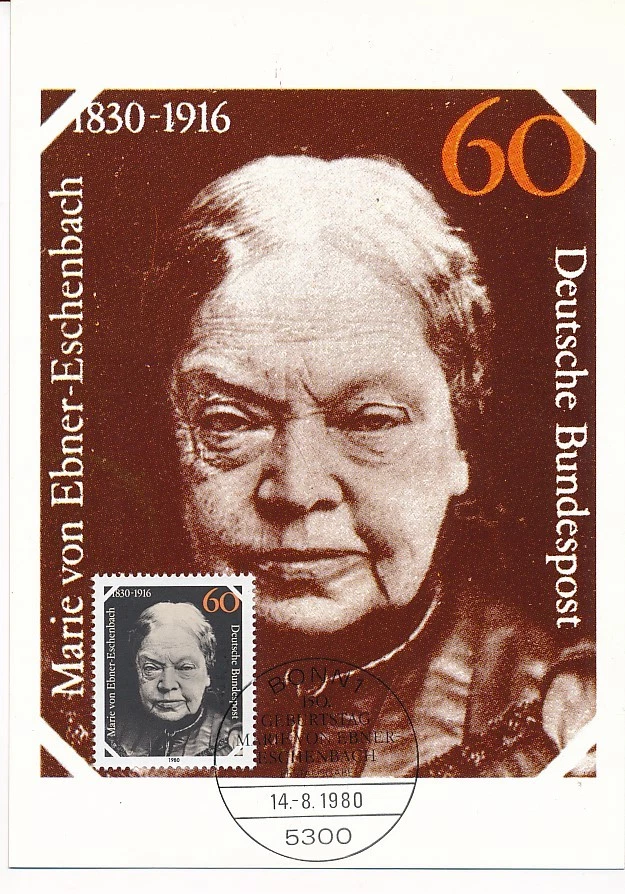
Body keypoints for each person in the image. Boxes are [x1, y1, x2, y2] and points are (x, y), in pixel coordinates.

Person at [153, 154, 594, 776]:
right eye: (229, 421)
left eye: (372, 421)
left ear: (461, 440)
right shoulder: (69, 699)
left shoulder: (566, 730)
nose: (296, 488)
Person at [116, 601, 239, 758]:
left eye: (185, 668)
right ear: (137, 670)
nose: (167, 685)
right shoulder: (109, 737)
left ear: (208, 672)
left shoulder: (233, 745)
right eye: (151, 668)